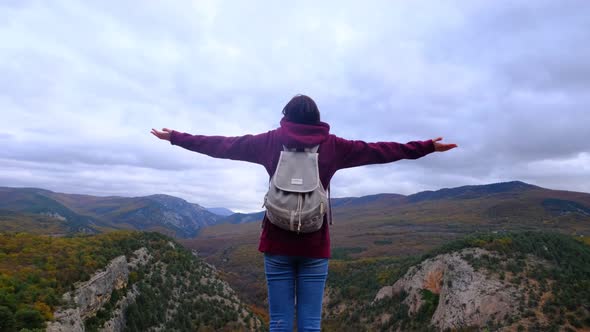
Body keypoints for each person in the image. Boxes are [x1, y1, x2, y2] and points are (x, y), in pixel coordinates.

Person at [151, 94, 457, 332]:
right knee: (310, 325)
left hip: (275, 242)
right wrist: (426, 147)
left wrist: (177, 137)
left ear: (286, 117)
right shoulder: (334, 146)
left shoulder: (269, 141)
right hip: (315, 245)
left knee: (280, 324)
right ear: (317, 119)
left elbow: (222, 145)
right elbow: (381, 150)